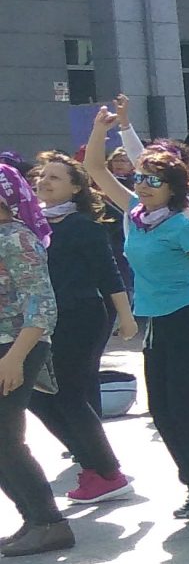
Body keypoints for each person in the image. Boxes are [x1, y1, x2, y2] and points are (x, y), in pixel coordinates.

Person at [82, 97, 189, 521]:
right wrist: (102, 128)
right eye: (141, 178)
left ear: (174, 189)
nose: (143, 185)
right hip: (158, 323)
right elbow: (95, 169)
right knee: (163, 413)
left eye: (154, 181)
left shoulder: (183, 223)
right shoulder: (136, 213)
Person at [24, 153, 131, 506]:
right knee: (38, 395)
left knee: (69, 394)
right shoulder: (31, 223)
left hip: (81, 316)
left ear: (75, 188)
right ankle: (90, 462)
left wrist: (126, 317)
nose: (45, 181)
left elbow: (109, 274)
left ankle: (107, 472)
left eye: (55, 177)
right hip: (45, 319)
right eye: (43, 175)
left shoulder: (83, 226)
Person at [0, 161, 70, 555]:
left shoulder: (16, 237)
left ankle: (49, 522)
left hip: (15, 346)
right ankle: (32, 518)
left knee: (6, 439)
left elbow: (41, 305)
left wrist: (14, 358)